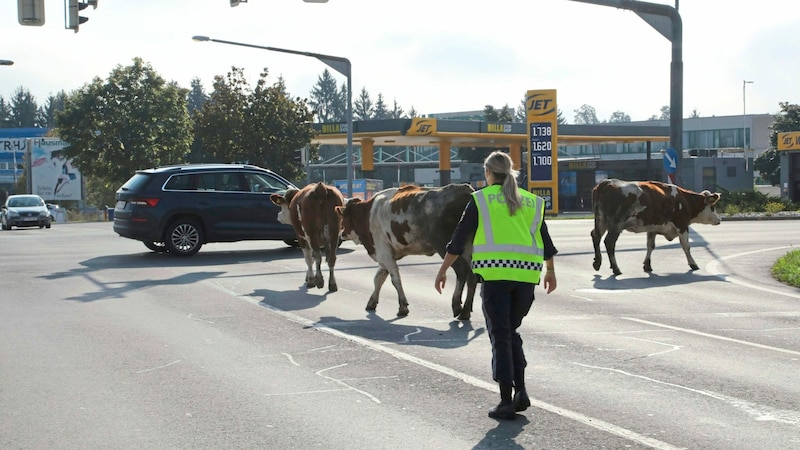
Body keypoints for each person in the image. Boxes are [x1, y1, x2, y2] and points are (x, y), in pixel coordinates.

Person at [434, 150, 558, 421]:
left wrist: (442, 270)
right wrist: (550, 271)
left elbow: (458, 240)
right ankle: (521, 391)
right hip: (527, 278)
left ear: (488, 172)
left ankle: (506, 400)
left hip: (495, 277)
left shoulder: (480, 200)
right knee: (510, 332)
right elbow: (545, 241)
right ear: (510, 171)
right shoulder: (531, 201)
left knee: (500, 335)